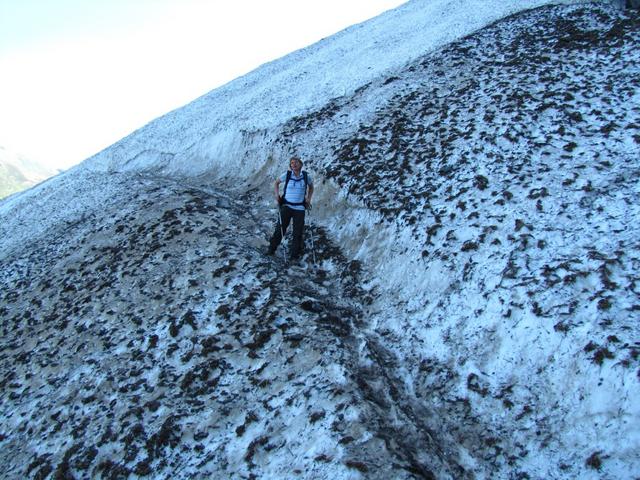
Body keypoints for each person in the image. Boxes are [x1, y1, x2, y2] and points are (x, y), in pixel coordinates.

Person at [267, 156, 314, 260]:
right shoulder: (287, 175)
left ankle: (294, 257)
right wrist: (276, 195)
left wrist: (308, 199)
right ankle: (271, 250)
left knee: (297, 233)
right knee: (280, 230)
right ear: (290, 165)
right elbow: (276, 183)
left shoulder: (306, 176)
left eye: (296, 162)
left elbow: (311, 187)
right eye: (292, 163)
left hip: (300, 208)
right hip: (287, 206)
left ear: (301, 164)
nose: (294, 164)